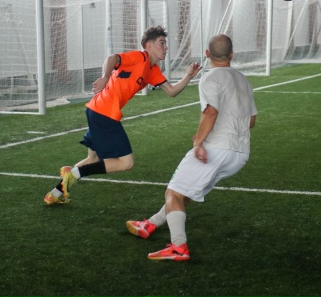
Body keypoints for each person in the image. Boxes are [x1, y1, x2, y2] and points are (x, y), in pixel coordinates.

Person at [125, 34, 257, 261]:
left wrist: (199, 143)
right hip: (240, 154)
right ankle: (150, 224)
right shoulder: (243, 79)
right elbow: (251, 121)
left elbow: (210, 112)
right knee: (185, 189)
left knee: (173, 192)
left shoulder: (210, 78)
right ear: (232, 55)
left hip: (216, 149)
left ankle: (178, 247)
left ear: (207, 54)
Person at [43, 26, 202, 205]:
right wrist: (105, 77)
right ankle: (75, 173)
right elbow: (112, 58)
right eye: (161, 43)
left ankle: (55, 193)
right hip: (104, 113)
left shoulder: (153, 70)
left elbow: (171, 91)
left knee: (93, 158)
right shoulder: (139, 57)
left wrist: (188, 76)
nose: (165, 48)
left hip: (97, 110)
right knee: (126, 163)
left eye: (166, 44)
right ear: (148, 45)